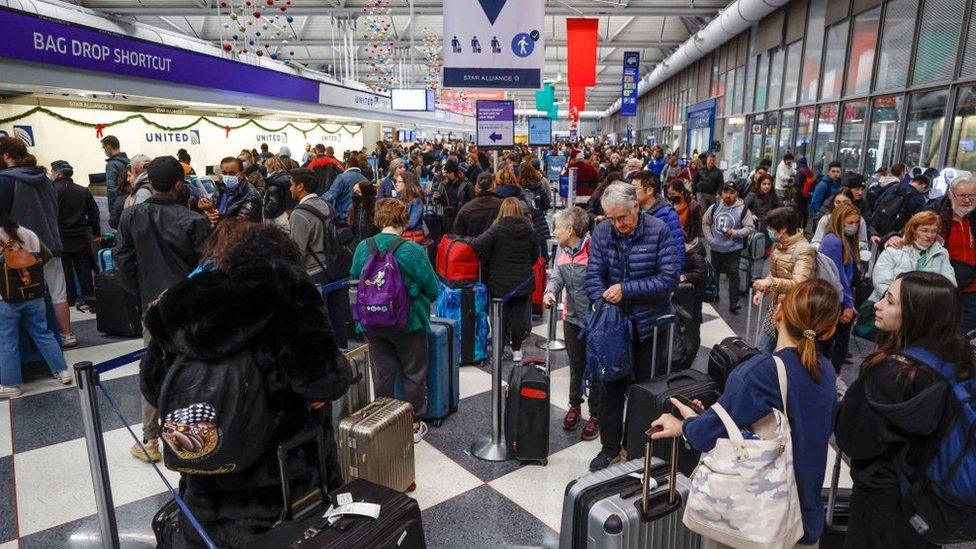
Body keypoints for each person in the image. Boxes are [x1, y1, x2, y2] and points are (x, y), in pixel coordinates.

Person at [140, 221, 351, 547]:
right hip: (284, 484)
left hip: (206, 488)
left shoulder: (177, 302)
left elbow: (153, 388)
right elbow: (321, 380)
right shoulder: (288, 287)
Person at [652, 279, 841, 548]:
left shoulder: (761, 372)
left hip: (759, 521)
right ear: (829, 330)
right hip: (805, 518)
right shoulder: (826, 371)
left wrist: (685, 425)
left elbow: (707, 435)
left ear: (777, 313)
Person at [836, 271, 974, 548]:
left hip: (882, 500)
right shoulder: (961, 360)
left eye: (889, 301)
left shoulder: (889, 373)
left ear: (915, 314)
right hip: (932, 496)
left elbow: (853, 439)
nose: (878, 304)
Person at [115, 156, 212, 463]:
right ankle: (195, 431)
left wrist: (142, 291)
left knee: (153, 367)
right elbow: (208, 270)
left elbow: (122, 261)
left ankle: (150, 439)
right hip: (189, 308)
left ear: (148, 181)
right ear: (179, 185)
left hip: (151, 307)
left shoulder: (131, 216)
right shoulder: (193, 220)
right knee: (195, 366)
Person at [586, 182, 680, 471]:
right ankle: (609, 448)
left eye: (622, 218)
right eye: (611, 219)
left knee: (642, 393)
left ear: (636, 207)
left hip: (647, 326)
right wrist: (603, 305)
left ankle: (636, 447)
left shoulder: (658, 230)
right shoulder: (603, 231)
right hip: (613, 327)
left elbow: (668, 278)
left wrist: (626, 290)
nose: (618, 224)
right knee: (609, 391)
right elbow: (593, 274)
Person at [350, 199, 440, 443]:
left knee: (383, 373)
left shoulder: (362, 247)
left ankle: (383, 421)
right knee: (414, 373)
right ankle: (413, 424)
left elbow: (354, 283)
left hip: (372, 321)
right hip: (408, 322)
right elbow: (433, 290)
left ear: (378, 219)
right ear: (403, 220)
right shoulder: (411, 250)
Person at [0, 137, 71, 346]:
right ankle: (67, 335)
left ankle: (35, 342)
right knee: (58, 292)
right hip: (51, 243)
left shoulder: (5, 180)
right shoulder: (45, 179)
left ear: (6, 156)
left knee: (24, 296)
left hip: (20, 248)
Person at [0, 208, 73, 399]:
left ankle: (11, 385)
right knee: (43, 333)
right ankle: (62, 371)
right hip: (34, 293)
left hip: (6, 298)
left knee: (8, 340)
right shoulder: (26, 232)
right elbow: (46, 256)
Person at [543, 207, 599, 440]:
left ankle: (596, 413)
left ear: (570, 230)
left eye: (557, 227)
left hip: (595, 320)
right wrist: (549, 292)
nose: (554, 231)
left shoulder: (594, 249)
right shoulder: (562, 251)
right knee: (576, 365)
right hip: (572, 318)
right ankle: (574, 404)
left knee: (596, 367)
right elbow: (556, 277)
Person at [471, 198, 539, 363]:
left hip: (499, 281)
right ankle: (517, 350)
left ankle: (498, 352)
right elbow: (535, 256)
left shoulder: (496, 228)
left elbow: (478, 244)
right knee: (518, 317)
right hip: (522, 282)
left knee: (499, 318)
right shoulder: (529, 229)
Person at [288, 167, 351, 348]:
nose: (290, 189)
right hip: (334, 269)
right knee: (336, 315)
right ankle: (343, 353)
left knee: (316, 321)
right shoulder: (327, 205)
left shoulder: (300, 213)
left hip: (314, 273)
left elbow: (296, 251)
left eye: (292, 185)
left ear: (300, 186)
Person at [752, 207, 816, 353]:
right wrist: (763, 290)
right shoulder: (780, 244)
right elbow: (775, 272)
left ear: (782, 230)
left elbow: (799, 284)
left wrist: (770, 283)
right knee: (761, 351)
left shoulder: (804, 250)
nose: (769, 231)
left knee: (785, 354)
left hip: (792, 313)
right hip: (775, 308)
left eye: (771, 228)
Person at [868, 211, 956, 307]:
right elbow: (881, 282)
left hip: (925, 307)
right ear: (913, 230)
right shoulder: (894, 249)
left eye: (933, 231)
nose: (929, 235)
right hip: (889, 304)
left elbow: (950, 284)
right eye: (924, 230)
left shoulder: (942, 253)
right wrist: (902, 302)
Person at [50, 161, 100, 309]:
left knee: (65, 272)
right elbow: (94, 214)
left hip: (59, 237)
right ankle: (89, 298)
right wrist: (96, 233)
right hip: (80, 236)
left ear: (57, 173)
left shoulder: (51, 191)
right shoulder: (83, 190)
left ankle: (69, 300)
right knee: (84, 270)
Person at [703, 182, 757, 314]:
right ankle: (714, 294)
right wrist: (711, 240)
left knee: (734, 274)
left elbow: (750, 228)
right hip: (716, 248)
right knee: (714, 273)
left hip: (733, 249)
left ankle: (734, 303)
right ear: (721, 193)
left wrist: (734, 233)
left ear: (737, 194)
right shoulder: (715, 207)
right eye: (725, 192)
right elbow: (705, 222)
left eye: (731, 192)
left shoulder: (743, 209)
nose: (728, 195)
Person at [819, 203, 860, 374]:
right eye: (850, 223)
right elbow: (839, 277)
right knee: (832, 343)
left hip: (840, 297)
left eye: (856, 223)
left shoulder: (843, 239)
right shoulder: (834, 242)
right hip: (837, 299)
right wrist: (848, 304)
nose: (854, 226)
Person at [633, 170, 685, 268]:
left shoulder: (668, 214)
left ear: (649, 190)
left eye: (634, 188)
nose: (631, 193)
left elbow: (677, 247)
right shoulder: (633, 211)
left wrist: (675, 273)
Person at [198, 157, 263, 225]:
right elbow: (212, 211)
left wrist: (216, 217)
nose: (227, 176)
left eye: (232, 174)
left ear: (241, 173)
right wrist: (207, 212)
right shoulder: (221, 188)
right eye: (224, 173)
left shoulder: (251, 195)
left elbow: (243, 225)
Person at [675, 233, 707, 369]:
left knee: (693, 325)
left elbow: (700, 274)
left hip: (694, 296)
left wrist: (684, 277)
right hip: (685, 296)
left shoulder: (696, 255)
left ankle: (691, 354)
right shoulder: (685, 254)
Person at [811, 187, 869, 255]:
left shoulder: (860, 220)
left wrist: (853, 249)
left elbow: (863, 243)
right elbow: (815, 242)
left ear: (852, 202)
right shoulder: (826, 220)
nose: (841, 206)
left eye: (846, 202)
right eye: (837, 202)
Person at [518, 160, 553, 262]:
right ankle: (542, 262)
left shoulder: (519, 189)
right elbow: (546, 204)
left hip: (524, 221)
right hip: (538, 219)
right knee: (541, 243)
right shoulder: (539, 186)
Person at [454, 172, 503, 237]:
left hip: (473, 245)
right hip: (497, 245)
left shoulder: (466, 208)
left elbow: (458, 232)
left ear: (477, 186)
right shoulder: (503, 205)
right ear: (493, 185)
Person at [434, 158, 475, 233]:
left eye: (449, 172)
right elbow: (440, 201)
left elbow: (472, 202)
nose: (447, 175)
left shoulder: (466, 185)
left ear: (455, 172)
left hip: (461, 218)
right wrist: (437, 198)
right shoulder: (443, 185)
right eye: (446, 172)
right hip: (447, 219)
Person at [324, 154, 368, 223]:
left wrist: (316, 200)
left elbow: (331, 195)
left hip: (343, 217)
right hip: (360, 218)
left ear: (347, 166)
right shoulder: (365, 179)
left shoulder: (341, 178)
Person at [261, 155, 294, 233]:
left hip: (276, 217)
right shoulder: (287, 178)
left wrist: (264, 212)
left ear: (271, 167)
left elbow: (273, 203)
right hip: (287, 214)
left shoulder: (273, 182)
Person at [395, 171, 426, 242]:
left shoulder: (416, 201)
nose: (396, 184)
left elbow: (411, 223)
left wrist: (395, 225)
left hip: (412, 238)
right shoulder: (400, 198)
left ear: (407, 184)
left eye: (399, 182)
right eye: (396, 181)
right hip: (404, 236)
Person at [101, 135, 129, 206]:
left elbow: (111, 189)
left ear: (109, 146)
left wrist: (113, 208)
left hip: (118, 204)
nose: (104, 149)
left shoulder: (111, 165)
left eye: (104, 147)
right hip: (129, 201)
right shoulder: (128, 161)